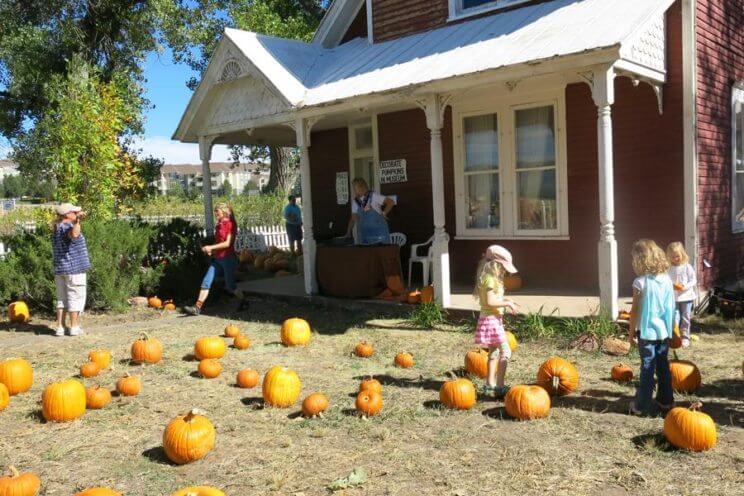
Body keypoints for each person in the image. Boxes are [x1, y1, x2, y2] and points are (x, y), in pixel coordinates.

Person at [628, 239, 676, 416]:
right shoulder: (666, 280)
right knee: (663, 367)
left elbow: (634, 312)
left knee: (647, 369)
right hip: (663, 332)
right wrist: (672, 329)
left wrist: (631, 333)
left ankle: (641, 406)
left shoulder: (639, 283)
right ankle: (666, 401)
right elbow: (671, 307)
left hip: (647, 333)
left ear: (640, 260)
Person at [473, 245, 520, 398]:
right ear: (496, 265)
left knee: (494, 352)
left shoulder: (487, 278)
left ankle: (489, 385)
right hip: (492, 321)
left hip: (490, 320)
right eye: (503, 268)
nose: (505, 271)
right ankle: (499, 386)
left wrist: (507, 299)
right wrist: (507, 304)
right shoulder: (490, 280)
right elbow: (490, 302)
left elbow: (492, 299)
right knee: (505, 352)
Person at [184, 203, 243, 316]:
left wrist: (210, 247)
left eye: (217, 212)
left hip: (228, 259)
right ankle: (197, 308)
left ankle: (243, 301)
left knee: (230, 286)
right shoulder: (219, 226)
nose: (215, 214)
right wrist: (212, 251)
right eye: (215, 211)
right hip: (217, 259)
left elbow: (227, 244)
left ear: (224, 212)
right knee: (206, 281)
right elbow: (218, 243)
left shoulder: (231, 225)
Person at [52, 203, 91, 337]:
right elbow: (74, 235)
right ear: (68, 214)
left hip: (61, 269)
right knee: (75, 298)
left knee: (62, 299)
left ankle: (60, 328)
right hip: (74, 269)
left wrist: (76, 220)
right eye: (74, 211)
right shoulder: (68, 226)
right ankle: (74, 327)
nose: (77, 213)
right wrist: (77, 221)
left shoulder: (57, 226)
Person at [345, 178, 395, 244]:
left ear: (361, 187)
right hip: (364, 234)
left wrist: (384, 214)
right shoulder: (355, 202)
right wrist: (348, 232)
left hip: (379, 233)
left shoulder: (374, 196)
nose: (354, 190)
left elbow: (391, 202)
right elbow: (353, 218)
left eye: (354, 187)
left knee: (382, 252)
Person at [666, 242, 697, 348]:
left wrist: (685, 286)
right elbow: (665, 280)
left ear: (682, 254)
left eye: (677, 256)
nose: (676, 258)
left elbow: (693, 280)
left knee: (686, 317)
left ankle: (685, 337)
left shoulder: (687, 267)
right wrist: (672, 285)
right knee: (675, 317)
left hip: (687, 296)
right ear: (669, 257)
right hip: (674, 297)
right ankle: (676, 336)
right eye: (673, 257)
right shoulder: (668, 269)